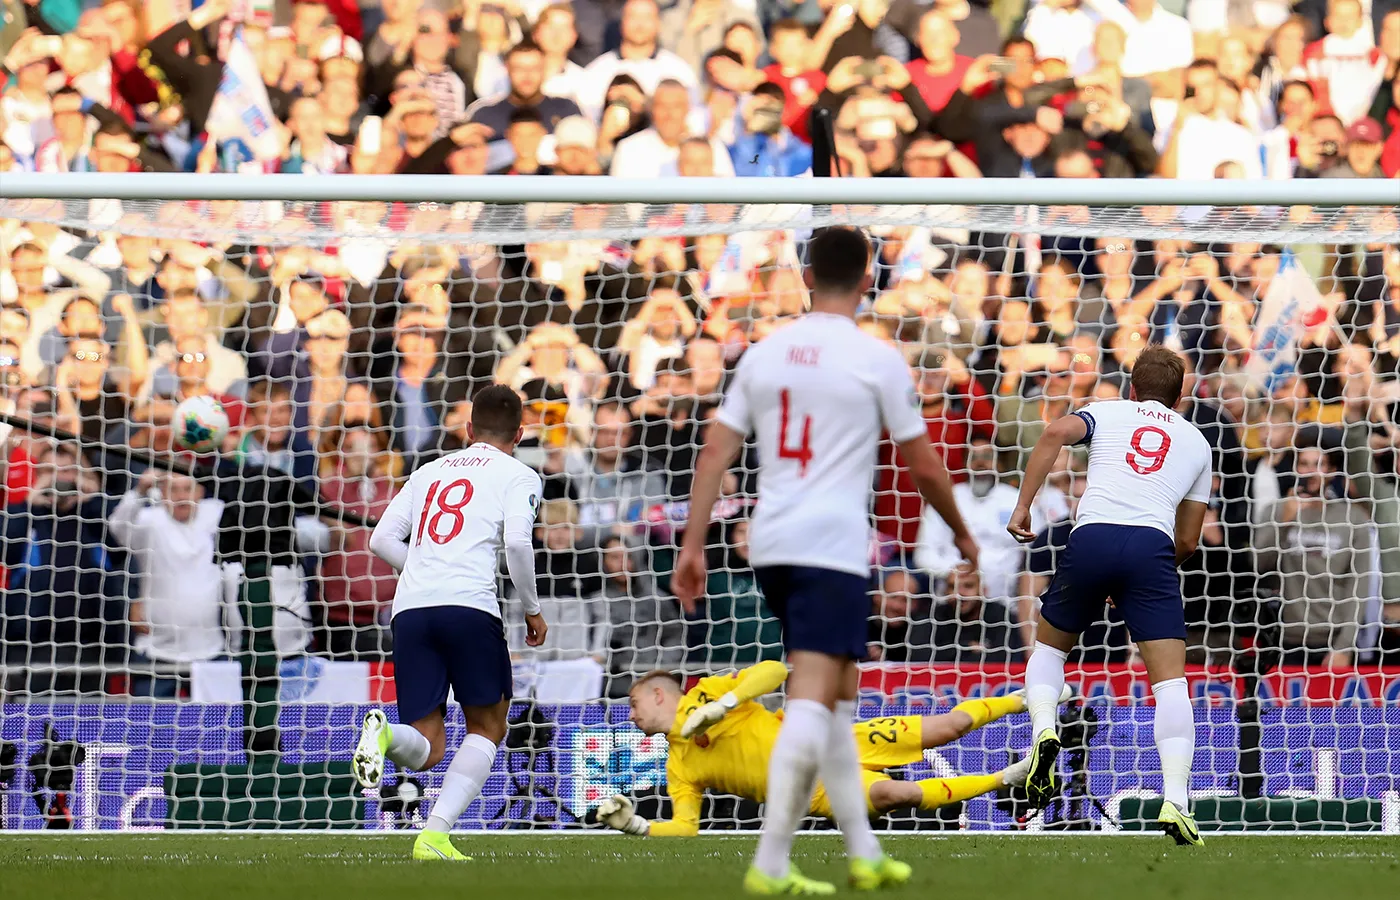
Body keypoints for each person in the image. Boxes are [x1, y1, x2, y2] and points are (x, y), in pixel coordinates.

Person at [672, 227, 977, 895]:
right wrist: (964, 533)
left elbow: (715, 452)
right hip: (830, 546)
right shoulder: (877, 358)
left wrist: (694, 544)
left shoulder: (762, 353)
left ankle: (864, 853)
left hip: (772, 542)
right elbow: (923, 463)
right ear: (869, 279)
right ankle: (771, 863)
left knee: (838, 699)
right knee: (813, 697)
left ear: (806, 277)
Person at [1006, 345, 1213, 848]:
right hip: (1150, 548)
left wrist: (1023, 508)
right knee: (1170, 683)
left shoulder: (1104, 412)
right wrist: (1145, 576)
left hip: (1092, 535)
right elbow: (1187, 540)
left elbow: (1055, 433)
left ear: (1132, 387)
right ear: (1180, 394)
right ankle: (1177, 801)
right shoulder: (1197, 442)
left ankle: (1043, 733)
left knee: (1050, 650)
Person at [355, 385, 547, 862]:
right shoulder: (519, 474)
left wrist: (423, 570)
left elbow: (380, 540)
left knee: (428, 743)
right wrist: (532, 607)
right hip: (469, 607)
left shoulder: (427, 471)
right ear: (519, 433)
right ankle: (435, 833)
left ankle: (381, 735)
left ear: (468, 429)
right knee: (487, 725)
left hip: (411, 610)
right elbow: (520, 547)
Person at [594, 663, 1065, 836]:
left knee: (950, 726)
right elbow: (685, 827)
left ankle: (1030, 698)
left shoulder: (708, 691)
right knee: (892, 796)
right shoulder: (680, 765)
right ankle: (1010, 777)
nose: (631, 715)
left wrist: (724, 706)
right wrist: (634, 825)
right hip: (815, 791)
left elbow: (776, 672)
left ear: (660, 694)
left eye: (634, 704)